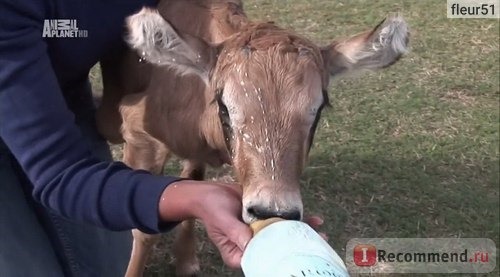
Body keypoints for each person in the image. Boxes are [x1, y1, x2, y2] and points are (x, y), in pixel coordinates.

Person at [0, 1, 254, 276]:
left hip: (59, 96)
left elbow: (70, 30)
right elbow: (62, 175)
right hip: (29, 103)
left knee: (108, 266)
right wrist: (192, 198)